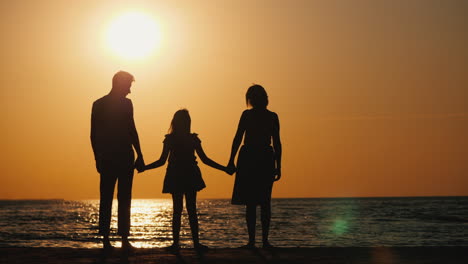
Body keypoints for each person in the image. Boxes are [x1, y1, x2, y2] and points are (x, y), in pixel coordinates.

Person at [141, 109, 232, 252]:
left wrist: (144, 168)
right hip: (189, 174)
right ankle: (194, 244)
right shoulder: (191, 139)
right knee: (191, 209)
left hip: (177, 174)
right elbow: (205, 160)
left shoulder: (172, 139)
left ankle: (177, 244)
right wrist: (224, 169)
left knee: (178, 210)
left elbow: (161, 161)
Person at [90, 71, 145, 250]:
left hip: (120, 156)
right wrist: (97, 157)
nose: (130, 90)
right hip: (113, 156)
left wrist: (140, 153)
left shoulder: (116, 104)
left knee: (117, 197)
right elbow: (94, 134)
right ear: (120, 84)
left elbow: (131, 129)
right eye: (128, 85)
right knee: (115, 197)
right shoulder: (99, 105)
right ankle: (112, 239)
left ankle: (119, 239)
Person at [227, 84, 282, 249]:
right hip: (256, 157)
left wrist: (278, 165)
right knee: (259, 201)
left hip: (257, 157)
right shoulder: (255, 116)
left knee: (257, 202)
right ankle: (258, 241)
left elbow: (277, 142)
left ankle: (259, 241)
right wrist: (231, 160)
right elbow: (238, 138)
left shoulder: (269, 116)